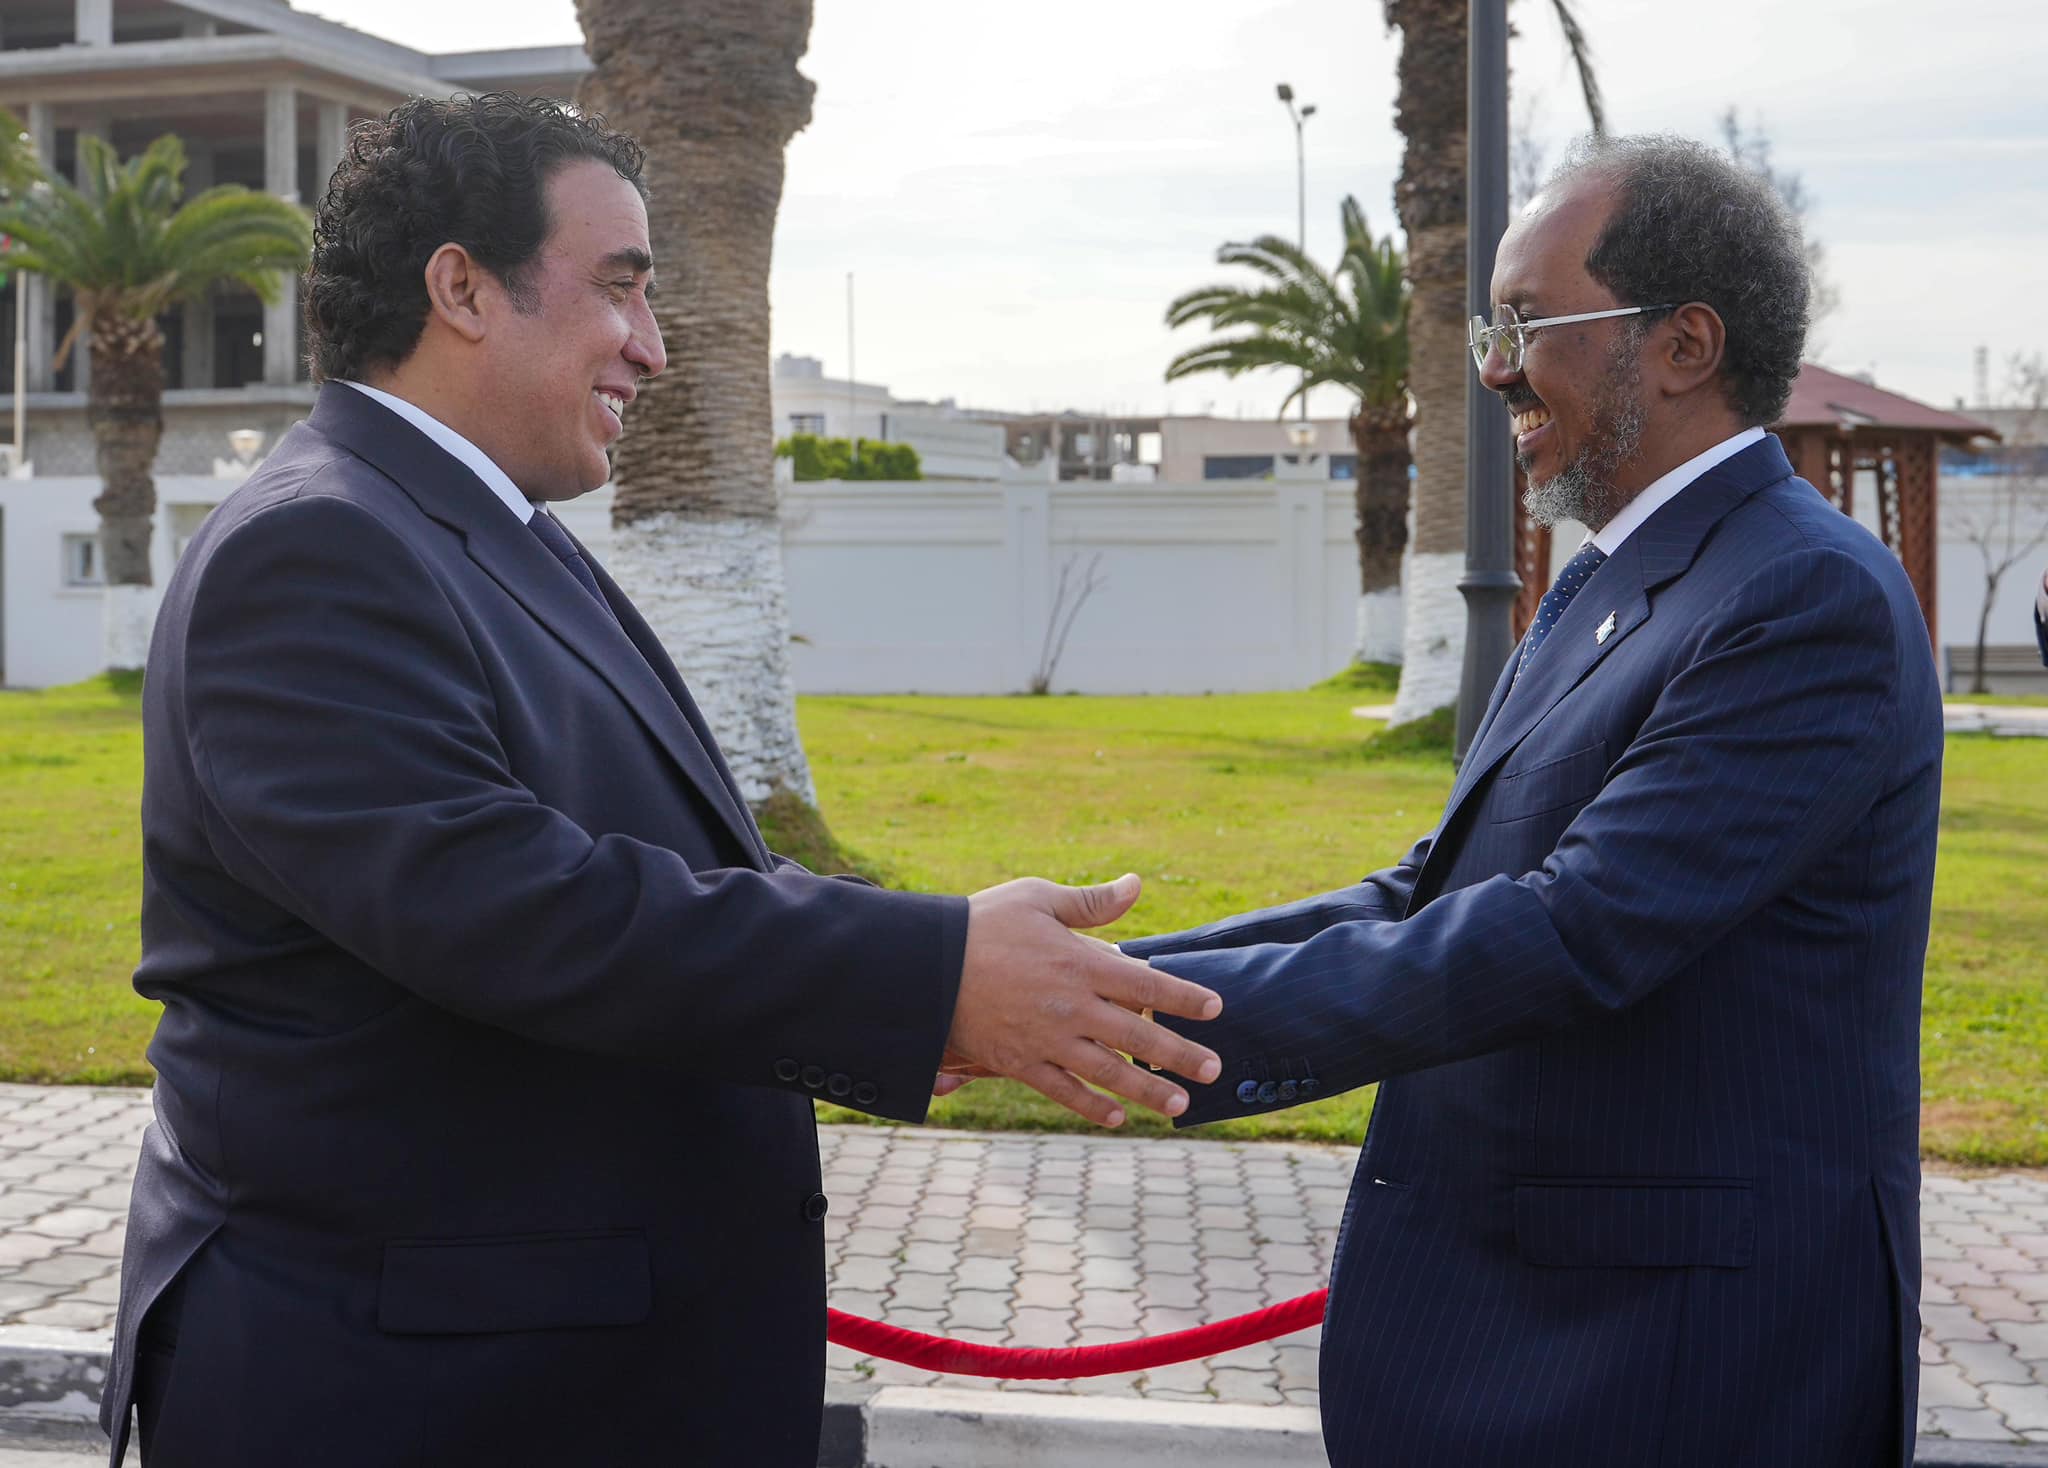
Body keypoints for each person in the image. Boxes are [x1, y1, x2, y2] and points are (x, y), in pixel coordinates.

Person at [101, 93, 1222, 1468]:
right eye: (620, 290)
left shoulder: (481, 526)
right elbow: (517, 909)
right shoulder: (319, 548)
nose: (655, 346)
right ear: (460, 286)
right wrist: (926, 974)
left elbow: (671, 871)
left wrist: (941, 983)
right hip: (411, 1395)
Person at [1124, 134, 1941, 1468]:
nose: (1495, 366)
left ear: (1682, 345)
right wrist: (1098, 987)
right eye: (1486, 326)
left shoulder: (1807, 595)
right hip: (1542, 1337)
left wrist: (1127, 1028)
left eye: (1527, 322)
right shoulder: (1607, 584)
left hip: (1674, 1370)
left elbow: (1576, 930)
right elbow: (1433, 891)